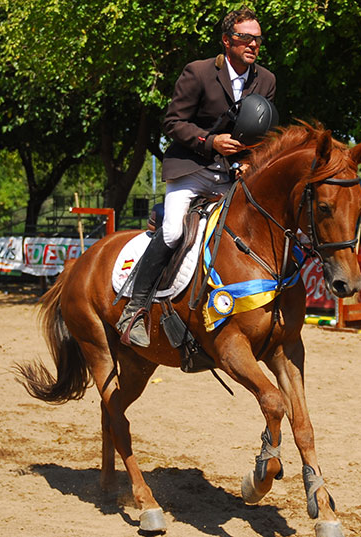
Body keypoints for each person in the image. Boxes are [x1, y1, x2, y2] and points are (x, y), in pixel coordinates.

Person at [117, 7, 276, 347]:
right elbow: (173, 122)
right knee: (174, 230)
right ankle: (135, 309)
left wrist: (251, 160)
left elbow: (262, 134)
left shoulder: (266, 80)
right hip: (191, 168)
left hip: (232, 176)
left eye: (257, 39)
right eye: (245, 37)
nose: (253, 44)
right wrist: (210, 141)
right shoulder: (199, 72)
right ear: (226, 40)